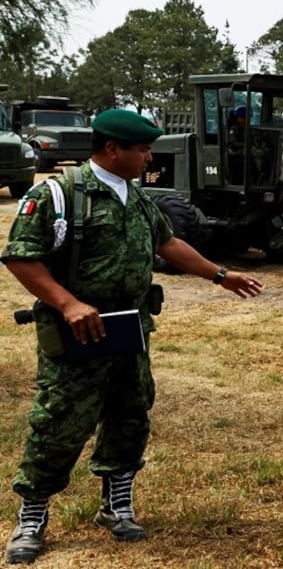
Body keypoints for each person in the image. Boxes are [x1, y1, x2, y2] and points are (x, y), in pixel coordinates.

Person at [1, 109, 264, 564]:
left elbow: (167, 243)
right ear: (111, 149)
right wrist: (68, 303)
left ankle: (116, 507)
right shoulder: (59, 195)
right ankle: (32, 518)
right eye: (142, 150)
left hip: (129, 330)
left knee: (129, 416)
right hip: (76, 334)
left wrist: (220, 275)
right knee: (58, 424)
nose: (148, 157)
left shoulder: (139, 198)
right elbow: (21, 257)